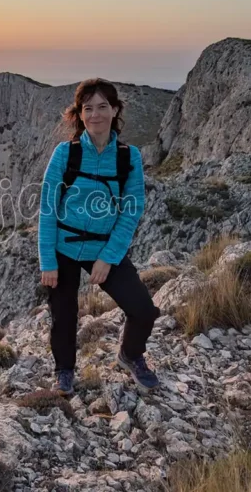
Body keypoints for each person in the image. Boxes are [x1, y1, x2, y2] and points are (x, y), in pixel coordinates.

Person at [38, 77, 160, 396]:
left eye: (102, 107)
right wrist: (48, 261)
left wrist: (108, 256)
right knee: (63, 316)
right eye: (87, 108)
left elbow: (131, 209)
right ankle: (64, 371)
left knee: (144, 310)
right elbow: (48, 210)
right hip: (63, 246)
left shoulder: (127, 157)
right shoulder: (65, 154)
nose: (95, 115)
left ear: (115, 109)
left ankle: (130, 355)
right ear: (79, 114)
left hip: (103, 247)